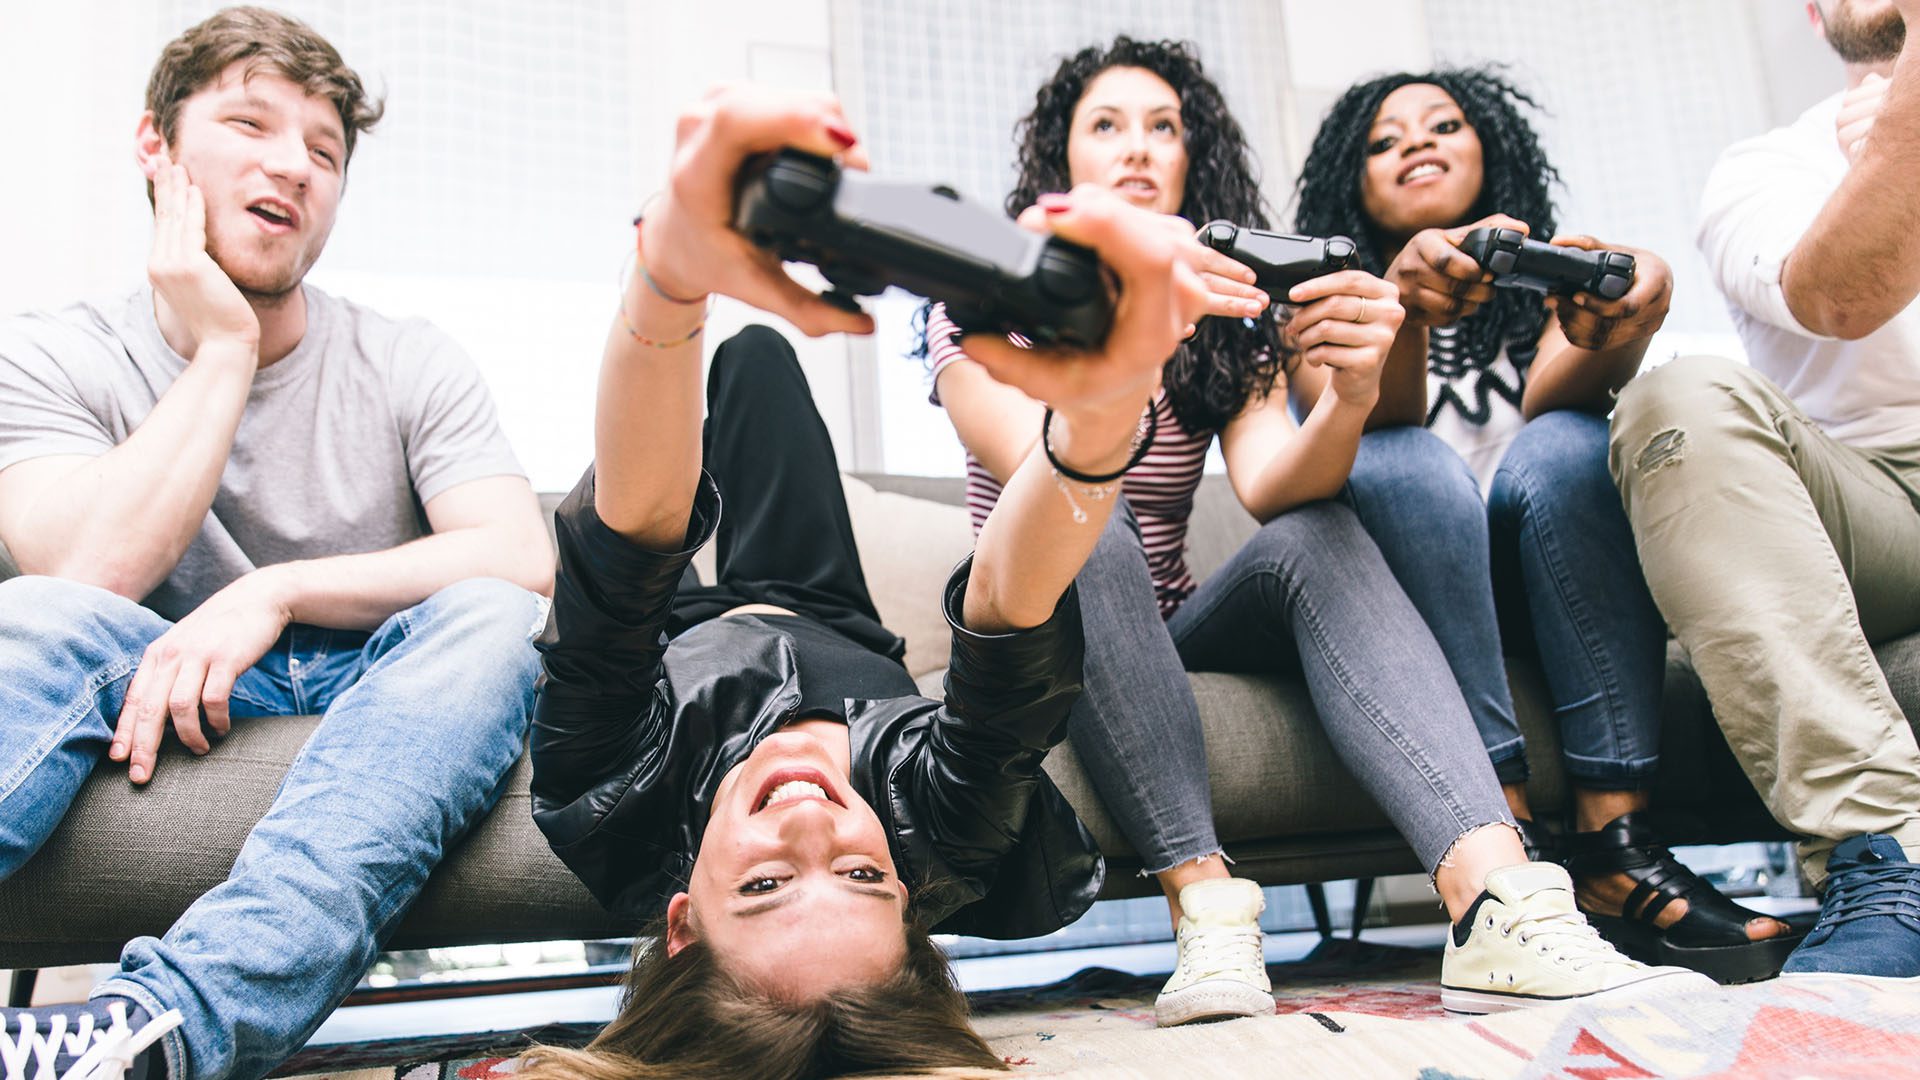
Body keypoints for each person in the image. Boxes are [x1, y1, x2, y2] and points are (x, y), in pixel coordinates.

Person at [924, 36, 1710, 1022]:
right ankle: (1206, 912)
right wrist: (1129, 334)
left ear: (1191, 160)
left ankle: (1498, 901)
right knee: (1091, 520)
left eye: (1163, 128)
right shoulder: (983, 298)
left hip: (1169, 623)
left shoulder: (1227, 315)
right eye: (1108, 126)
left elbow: (1273, 486)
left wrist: (1348, 394)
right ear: (1063, 162)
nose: (1138, 147)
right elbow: (1044, 468)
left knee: (1317, 536)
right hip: (1032, 614)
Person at [517, 84, 1221, 1078]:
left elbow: (627, 544)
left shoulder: (605, 797)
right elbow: (1009, 630)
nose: (811, 813)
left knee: (694, 449)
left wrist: (670, 276)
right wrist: (1103, 424)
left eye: (763, 885)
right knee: (763, 354)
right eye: (859, 872)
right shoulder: (943, 830)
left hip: (682, 633)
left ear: (682, 920)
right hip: (829, 617)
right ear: (909, 893)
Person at [0, 8, 553, 1079]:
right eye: (251, 124)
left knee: (495, 619)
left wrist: (281, 590)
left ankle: (160, 1034)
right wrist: (225, 350)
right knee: (31, 615)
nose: (293, 167)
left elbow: (517, 556)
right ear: (156, 148)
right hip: (161, 676)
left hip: (383, 684)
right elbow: (85, 577)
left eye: (324, 151)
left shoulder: (409, 360)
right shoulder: (55, 355)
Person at [1290, 68, 1798, 983]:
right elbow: (1371, 425)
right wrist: (1397, 302)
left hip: (1545, 586)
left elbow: (1556, 421)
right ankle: (1512, 855)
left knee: (1567, 442)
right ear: (1351, 181)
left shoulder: (1553, 277)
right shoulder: (1326, 296)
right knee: (1403, 462)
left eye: (1443, 123)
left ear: (1490, 147)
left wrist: (1626, 327)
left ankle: (1618, 853)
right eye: (1384, 139)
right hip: (1415, 602)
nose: (1416, 142)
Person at [1607, 0, 1920, 980]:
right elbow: (1837, 296)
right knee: (1674, 398)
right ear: (1817, 16)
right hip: (1874, 502)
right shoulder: (1764, 168)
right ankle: (1884, 859)